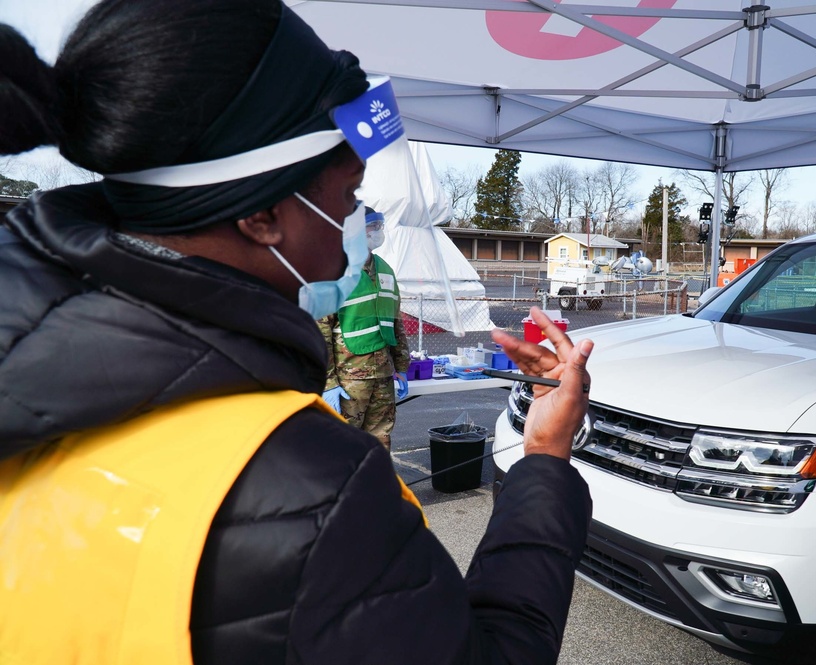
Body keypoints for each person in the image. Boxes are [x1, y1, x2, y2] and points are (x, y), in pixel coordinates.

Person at [0, 2, 593, 664]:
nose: (353, 236)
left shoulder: (32, 394)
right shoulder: (312, 487)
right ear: (260, 215)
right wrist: (543, 455)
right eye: (347, 199)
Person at [317, 206, 409, 449]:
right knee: (343, 442)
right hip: (349, 378)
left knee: (380, 438)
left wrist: (401, 366)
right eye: (373, 226)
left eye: (380, 225)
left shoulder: (385, 270)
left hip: (383, 375)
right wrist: (328, 382)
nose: (379, 231)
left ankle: (374, 485)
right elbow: (320, 330)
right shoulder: (335, 270)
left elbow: (395, 321)